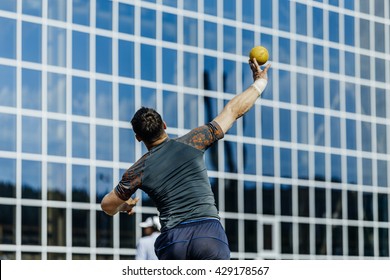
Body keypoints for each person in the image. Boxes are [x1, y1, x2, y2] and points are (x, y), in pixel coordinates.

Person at [101, 58, 271, 259]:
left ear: (138, 138)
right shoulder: (194, 141)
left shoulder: (137, 171)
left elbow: (106, 205)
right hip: (209, 235)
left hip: (174, 241)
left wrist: (124, 205)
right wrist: (260, 82)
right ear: (164, 125)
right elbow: (233, 110)